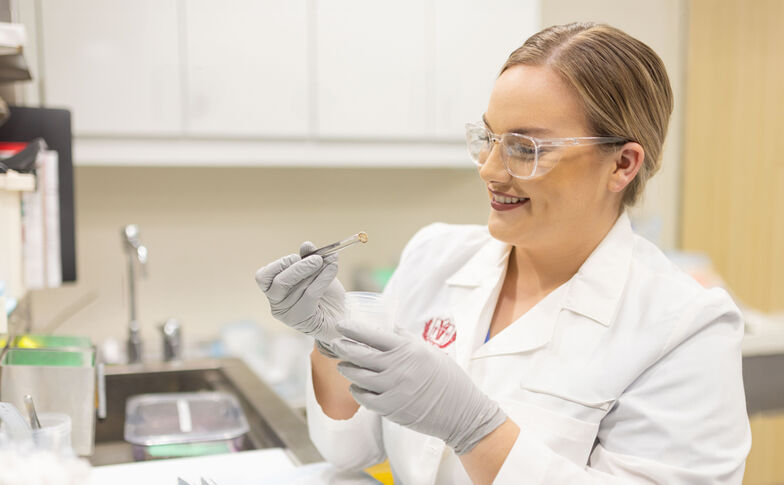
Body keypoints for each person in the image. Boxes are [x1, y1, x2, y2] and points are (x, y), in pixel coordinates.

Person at [255, 22, 750, 484]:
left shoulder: (686, 328)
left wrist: (475, 428)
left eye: (525, 148)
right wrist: (331, 340)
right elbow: (351, 449)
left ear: (622, 164)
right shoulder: (436, 255)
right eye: (488, 138)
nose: (490, 170)